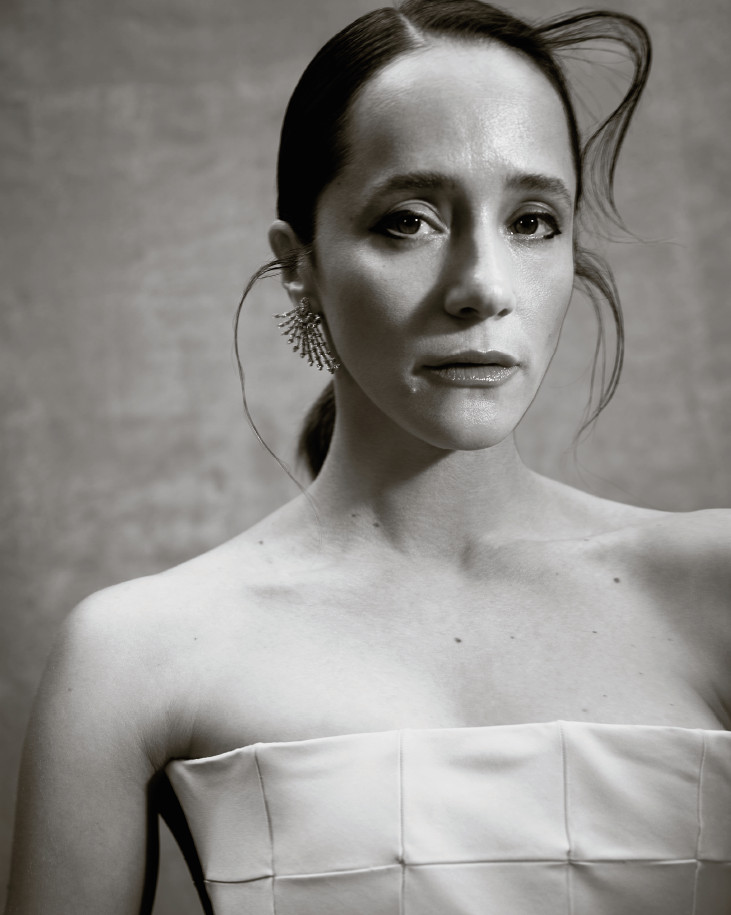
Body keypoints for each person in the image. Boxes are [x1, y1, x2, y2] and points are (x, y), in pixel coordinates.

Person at [5, 1, 730, 913]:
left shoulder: (713, 588)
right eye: (409, 220)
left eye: (533, 221)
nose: (483, 287)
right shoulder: (133, 657)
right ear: (298, 263)